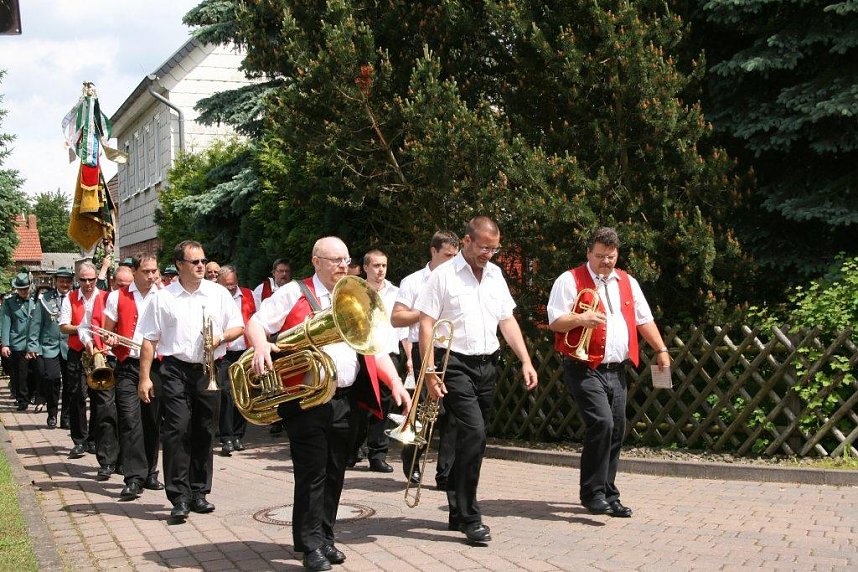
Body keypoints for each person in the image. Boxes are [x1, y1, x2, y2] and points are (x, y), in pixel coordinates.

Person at [246, 236, 411, 571]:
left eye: (345, 259)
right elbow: (256, 322)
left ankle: (324, 537)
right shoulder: (294, 291)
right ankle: (310, 546)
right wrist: (261, 345)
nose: (341, 265)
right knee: (312, 472)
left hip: (344, 399)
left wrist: (394, 382)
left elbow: (373, 347)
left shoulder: (352, 295)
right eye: (334, 260)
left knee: (336, 471)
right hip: (306, 399)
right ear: (316, 261)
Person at [415, 216, 538, 544]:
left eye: (494, 249)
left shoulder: (496, 275)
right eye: (484, 247)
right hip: (453, 364)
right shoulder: (442, 276)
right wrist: (428, 372)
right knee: (474, 431)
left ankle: (457, 506)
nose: (489, 254)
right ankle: (471, 516)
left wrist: (526, 360)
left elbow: (507, 320)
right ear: (466, 241)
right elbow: (425, 324)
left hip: (488, 365)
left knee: (476, 440)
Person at [547, 226, 670, 518]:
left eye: (611, 256)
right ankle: (592, 493)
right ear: (588, 252)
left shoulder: (627, 281)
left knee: (616, 429)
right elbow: (554, 321)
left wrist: (662, 349)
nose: (606, 262)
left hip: (617, 369)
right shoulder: (569, 279)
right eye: (600, 256)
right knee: (601, 423)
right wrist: (581, 318)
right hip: (583, 367)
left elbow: (644, 320)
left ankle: (608, 492)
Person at [137, 240, 244, 523]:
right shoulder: (162, 297)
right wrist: (145, 377)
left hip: (209, 369)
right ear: (180, 265)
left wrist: (220, 338)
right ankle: (178, 496)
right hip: (174, 369)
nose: (201, 266)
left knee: (205, 430)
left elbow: (238, 326)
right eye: (194, 262)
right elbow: (149, 339)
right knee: (176, 430)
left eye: (202, 261)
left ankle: (199, 492)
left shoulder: (218, 293)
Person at [391, 230, 459, 486]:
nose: (452, 261)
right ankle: (412, 459)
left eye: (455, 255)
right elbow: (397, 317)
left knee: (451, 413)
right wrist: (425, 314)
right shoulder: (413, 281)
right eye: (446, 255)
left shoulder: (459, 279)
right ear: (433, 251)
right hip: (423, 347)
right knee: (421, 411)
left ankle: (446, 473)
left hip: (453, 349)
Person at [100, 254, 164, 501]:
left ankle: (150, 472)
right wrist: (111, 338)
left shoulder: (163, 296)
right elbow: (106, 331)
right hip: (128, 364)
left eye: (154, 271)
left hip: (156, 366)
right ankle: (133, 478)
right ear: (134, 272)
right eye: (146, 271)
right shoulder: (118, 296)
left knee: (152, 420)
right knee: (129, 419)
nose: (151, 276)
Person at [347, 249, 407, 473]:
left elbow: (403, 331)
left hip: (387, 355)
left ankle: (377, 455)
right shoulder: (353, 290)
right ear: (365, 268)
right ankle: (351, 450)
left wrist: (409, 356)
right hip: (359, 353)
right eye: (376, 266)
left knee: (382, 408)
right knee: (357, 406)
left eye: (384, 265)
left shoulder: (396, 292)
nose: (380, 270)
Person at [59, 261, 115, 478]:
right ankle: (80, 440)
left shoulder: (106, 297)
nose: (88, 283)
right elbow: (64, 326)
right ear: (77, 279)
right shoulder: (70, 298)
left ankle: (100, 447)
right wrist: (80, 329)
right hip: (77, 351)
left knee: (102, 400)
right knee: (76, 396)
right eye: (83, 280)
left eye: (91, 279)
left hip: (100, 353)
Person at [27, 268, 74, 428]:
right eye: (61, 281)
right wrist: (33, 345)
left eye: (68, 281)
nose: (65, 284)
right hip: (49, 346)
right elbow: (36, 324)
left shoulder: (75, 298)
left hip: (70, 347)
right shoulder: (44, 299)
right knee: (51, 378)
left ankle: (66, 416)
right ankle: (52, 413)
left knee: (70, 383)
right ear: (55, 282)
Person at [216, 264, 255, 456]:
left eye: (233, 284)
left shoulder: (248, 294)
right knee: (226, 395)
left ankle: (239, 435)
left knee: (244, 393)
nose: (231, 288)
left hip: (244, 352)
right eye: (227, 285)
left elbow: (256, 321)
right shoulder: (216, 298)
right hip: (224, 353)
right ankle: (226, 437)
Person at [2, 272, 35, 411]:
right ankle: (22, 399)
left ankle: (33, 394)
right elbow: (5, 323)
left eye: (25, 288)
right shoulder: (9, 303)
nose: (23, 291)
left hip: (34, 342)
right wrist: (5, 344)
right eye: (20, 289)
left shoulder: (37, 300)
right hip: (17, 342)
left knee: (35, 371)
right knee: (20, 373)